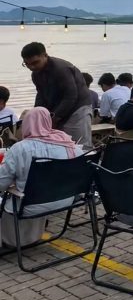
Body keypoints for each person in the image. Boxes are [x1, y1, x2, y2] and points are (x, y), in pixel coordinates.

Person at [0, 107, 83, 247]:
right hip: (65, 200)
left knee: (8, 196)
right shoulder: (68, 144)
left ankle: (12, 240)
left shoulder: (20, 149)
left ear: (26, 124)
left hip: (29, 206)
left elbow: (1, 183)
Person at [21, 42, 92, 149]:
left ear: (45, 55)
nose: (32, 67)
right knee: (60, 146)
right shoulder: (36, 74)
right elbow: (41, 95)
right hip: (57, 109)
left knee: (79, 146)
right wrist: (37, 112)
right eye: (27, 64)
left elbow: (71, 96)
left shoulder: (61, 69)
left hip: (78, 108)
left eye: (35, 62)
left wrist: (55, 117)